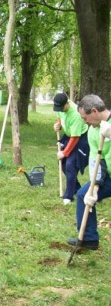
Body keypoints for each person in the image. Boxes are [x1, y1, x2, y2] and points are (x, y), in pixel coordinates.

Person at [67, 94, 111, 251]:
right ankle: (89, 239)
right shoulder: (93, 131)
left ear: (94, 111)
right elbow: (96, 161)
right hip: (109, 177)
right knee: (83, 194)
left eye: (85, 118)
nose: (84, 121)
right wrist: (95, 187)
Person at [53, 92, 89, 204]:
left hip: (80, 138)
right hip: (69, 136)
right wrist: (57, 124)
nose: (59, 110)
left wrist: (65, 153)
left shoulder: (76, 114)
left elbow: (75, 137)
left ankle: (68, 196)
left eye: (61, 108)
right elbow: (59, 117)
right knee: (62, 164)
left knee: (70, 165)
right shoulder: (60, 108)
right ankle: (77, 189)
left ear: (67, 103)